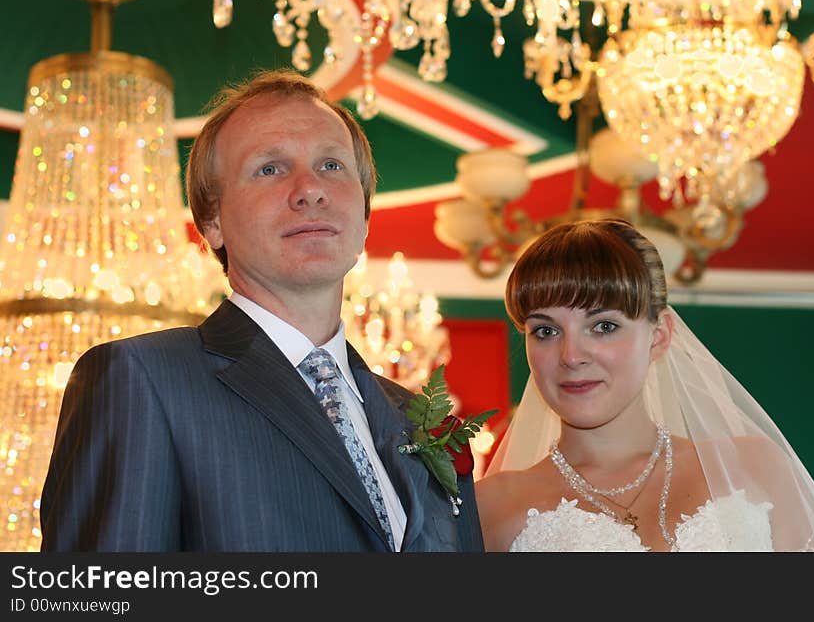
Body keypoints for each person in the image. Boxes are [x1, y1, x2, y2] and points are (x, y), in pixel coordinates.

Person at [40, 70, 484, 552]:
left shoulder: (420, 422)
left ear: (364, 215)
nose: (310, 190)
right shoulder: (142, 380)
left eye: (332, 166)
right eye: (270, 168)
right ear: (212, 223)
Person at [476, 219, 814, 552]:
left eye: (604, 326)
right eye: (545, 330)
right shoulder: (489, 508)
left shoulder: (756, 468)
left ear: (659, 337)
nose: (570, 355)